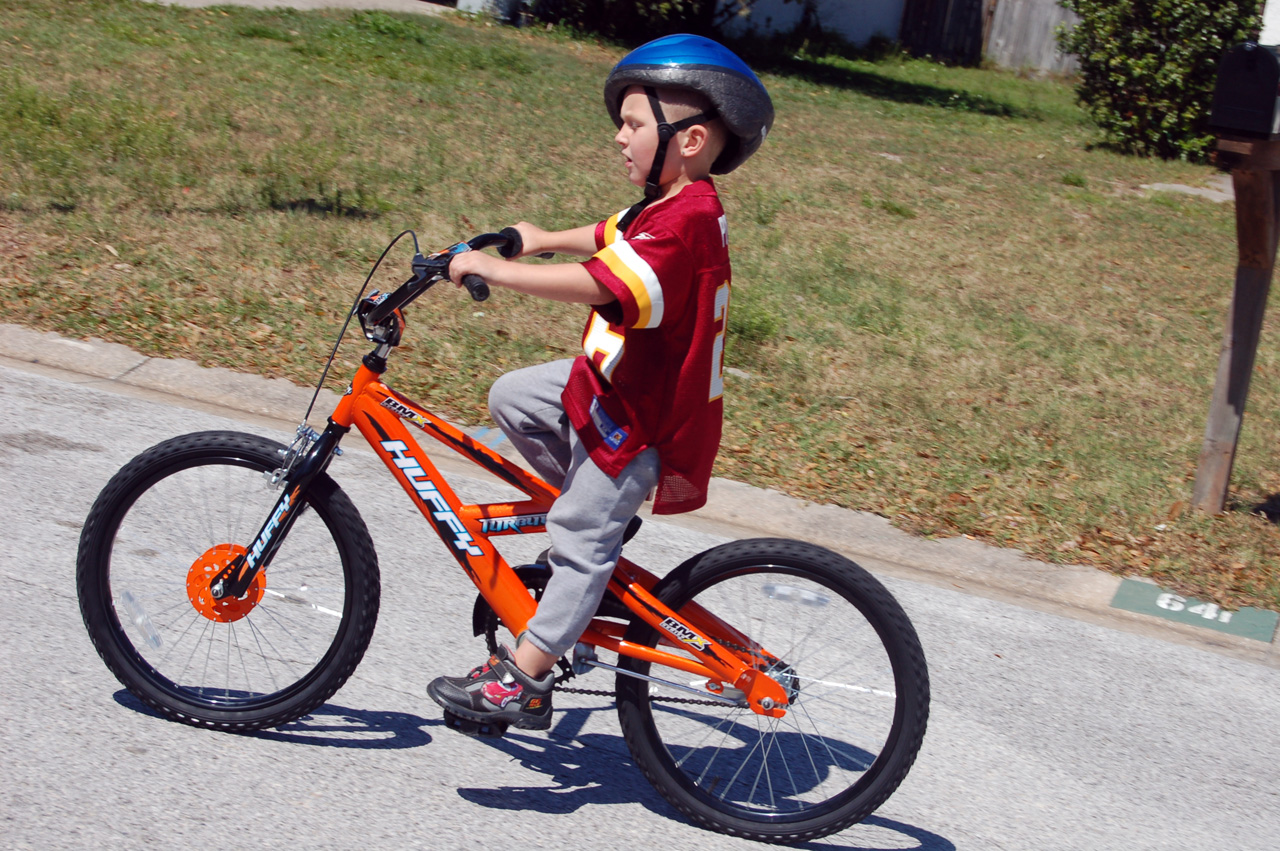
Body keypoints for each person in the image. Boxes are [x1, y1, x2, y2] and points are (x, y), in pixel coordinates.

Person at [427, 33, 774, 732]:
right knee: (514, 397)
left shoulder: (688, 223)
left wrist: (498, 271)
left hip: (641, 419)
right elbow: (609, 234)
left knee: (578, 534)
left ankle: (524, 679)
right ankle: (598, 523)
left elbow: (600, 279)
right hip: (614, 386)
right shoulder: (671, 204)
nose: (619, 135)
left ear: (692, 138)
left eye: (635, 123)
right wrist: (542, 234)